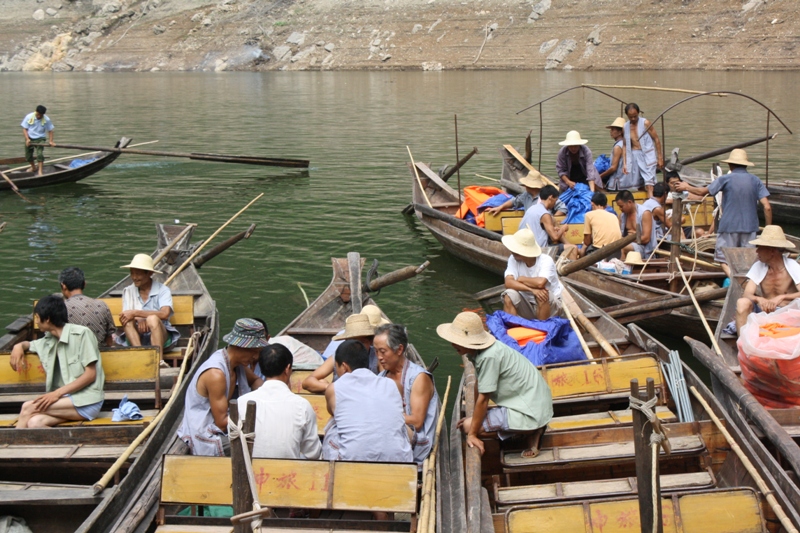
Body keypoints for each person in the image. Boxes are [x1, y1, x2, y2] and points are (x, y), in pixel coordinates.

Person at [437, 312, 552, 458]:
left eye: (456, 341)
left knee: (466, 426)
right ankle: (526, 429)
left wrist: (472, 432)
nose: (453, 345)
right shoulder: (481, 351)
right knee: (471, 422)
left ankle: (531, 430)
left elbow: (484, 399)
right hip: (533, 403)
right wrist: (474, 416)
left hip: (530, 411)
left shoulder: (488, 356)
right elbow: (479, 385)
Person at [10, 295, 105, 428]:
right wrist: (18, 346)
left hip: (87, 401)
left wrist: (56, 394)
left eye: (37, 317)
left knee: (28, 407)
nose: (36, 321)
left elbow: (90, 375)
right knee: (35, 423)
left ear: (47, 319)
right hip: (65, 401)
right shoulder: (49, 339)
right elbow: (29, 344)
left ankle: (14, 446)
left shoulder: (82, 334)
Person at [177, 318, 267, 456]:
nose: (256, 357)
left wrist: (266, 400)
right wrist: (259, 416)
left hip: (226, 422)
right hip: (206, 430)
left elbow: (256, 380)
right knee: (260, 445)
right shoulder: (216, 374)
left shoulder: (238, 366)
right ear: (240, 346)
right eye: (254, 351)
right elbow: (221, 423)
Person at [675, 149, 771, 277]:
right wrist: (768, 229)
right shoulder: (755, 180)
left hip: (729, 227)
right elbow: (767, 207)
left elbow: (703, 192)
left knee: (723, 259)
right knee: (749, 261)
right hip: (750, 227)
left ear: (730, 165)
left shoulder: (725, 179)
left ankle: (735, 281)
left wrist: (686, 187)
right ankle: (746, 281)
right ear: (746, 165)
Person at [322, 339, 412, 462]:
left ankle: (332, 467)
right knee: (400, 425)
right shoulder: (394, 385)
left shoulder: (334, 388)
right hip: (399, 459)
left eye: (336, 367)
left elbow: (332, 412)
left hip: (351, 461)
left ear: (344, 367)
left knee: (333, 424)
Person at [237, 343, 321, 460]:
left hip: (251, 473)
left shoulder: (242, 402)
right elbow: (313, 453)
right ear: (287, 369)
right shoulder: (302, 405)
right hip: (289, 475)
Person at [375, 324, 439, 465]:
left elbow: (416, 422)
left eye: (383, 351)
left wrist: (383, 416)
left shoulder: (418, 378)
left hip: (417, 445)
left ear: (399, 350)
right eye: (376, 352)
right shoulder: (380, 377)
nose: (379, 357)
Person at [735, 226, 800, 333]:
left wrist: (782, 297)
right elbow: (747, 294)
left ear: (771, 251)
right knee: (742, 303)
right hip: (764, 312)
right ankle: (742, 342)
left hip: (787, 312)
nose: (757, 251)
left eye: (760, 248)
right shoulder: (758, 266)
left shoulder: (792, 266)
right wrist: (760, 300)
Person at [303, 312, 381, 393]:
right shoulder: (338, 356)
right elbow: (307, 382)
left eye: (362, 342)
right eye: (353, 342)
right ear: (346, 342)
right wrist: (332, 387)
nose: (357, 347)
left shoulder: (377, 357)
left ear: (370, 341)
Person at [117, 253, 181, 351]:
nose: (134, 277)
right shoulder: (128, 291)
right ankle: (140, 354)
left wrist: (137, 314)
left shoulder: (163, 290)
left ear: (149, 273)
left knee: (153, 319)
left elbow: (164, 314)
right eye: (132, 273)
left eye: (138, 273)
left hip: (161, 336)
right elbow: (126, 315)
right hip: (138, 335)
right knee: (128, 321)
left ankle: (159, 361)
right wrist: (140, 319)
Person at [501, 228, 564, 320]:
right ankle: (511, 330)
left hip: (551, 307)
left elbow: (540, 283)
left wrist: (522, 279)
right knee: (509, 295)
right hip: (528, 304)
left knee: (542, 294)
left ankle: (542, 329)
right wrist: (531, 290)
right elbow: (508, 283)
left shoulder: (546, 260)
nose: (512, 251)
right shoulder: (513, 258)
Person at [58, 267, 115, 348]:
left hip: (71, 356)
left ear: (63, 286)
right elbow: (109, 340)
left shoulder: (60, 308)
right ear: (84, 284)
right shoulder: (101, 305)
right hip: (99, 355)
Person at [519, 185, 578, 260]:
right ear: (550, 197)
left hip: (526, 246)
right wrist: (563, 229)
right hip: (539, 250)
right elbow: (555, 238)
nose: (555, 203)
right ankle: (572, 271)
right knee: (573, 248)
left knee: (568, 245)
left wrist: (555, 229)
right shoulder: (545, 214)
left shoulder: (532, 208)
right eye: (555, 200)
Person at [623, 103, 663, 198]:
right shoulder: (625, 127)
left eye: (635, 116)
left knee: (649, 183)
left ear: (638, 113)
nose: (633, 119)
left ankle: (652, 202)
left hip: (647, 155)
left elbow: (656, 139)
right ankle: (645, 202)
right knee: (639, 184)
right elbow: (625, 145)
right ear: (627, 116)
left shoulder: (645, 123)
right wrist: (625, 163)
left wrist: (660, 157)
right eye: (630, 117)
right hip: (634, 155)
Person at [485, 171, 567, 217]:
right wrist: (500, 207)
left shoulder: (545, 195)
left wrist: (552, 220)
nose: (525, 186)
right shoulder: (526, 195)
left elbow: (563, 208)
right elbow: (514, 201)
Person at [664, 171, 708, 238]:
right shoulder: (666, 194)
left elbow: (702, 199)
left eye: (677, 182)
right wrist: (674, 201)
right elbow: (661, 201)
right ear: (667, 184)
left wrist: (689, 196)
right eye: (672, 183)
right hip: (670, 226)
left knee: (700, 232)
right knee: (680, 232)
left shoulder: (684, 193)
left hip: (686, 226)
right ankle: (684, 248)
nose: (675, 185)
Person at [580, 192, 622, 258]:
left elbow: (587, 241)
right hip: (617, 252)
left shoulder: (589, 215)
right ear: (606, 206)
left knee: (584, 249)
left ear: (592, 204)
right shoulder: (614, 216)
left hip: (600, 251)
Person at [616, 190, 656, 259]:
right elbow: (618, 235)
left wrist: (626, 239)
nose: (620, 209)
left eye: (621, 206)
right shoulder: (622, 216)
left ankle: (622, 268)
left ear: (629, 202)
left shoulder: (645, 213)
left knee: (620, 247)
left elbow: (646, 239)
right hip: (628, 243)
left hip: (644, 248)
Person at [21, 105, 55, 176]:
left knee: (39, 154)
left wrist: (51, 141)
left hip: (40, 138)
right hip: (30, 138)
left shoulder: (46, 119)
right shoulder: (29, 117)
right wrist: (27, 139)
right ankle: (33, 167)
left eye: (41, 115)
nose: (39, 116)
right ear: (36, 111)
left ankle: (40, 171)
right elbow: (25, 129)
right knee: (28, 156)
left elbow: (50, 131)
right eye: (38, 114)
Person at [599, 117, 629, 190]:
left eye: (612, 130)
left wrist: (600, 176)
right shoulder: (625, 143)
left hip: (617, 182)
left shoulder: (618, 147)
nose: (611, 132)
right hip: (624, 181)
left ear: (620, 132)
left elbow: (613, 168)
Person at [641, 183, 668, 247]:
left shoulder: (647, 202)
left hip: (644, 232)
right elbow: (670, 226)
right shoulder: (658, 209)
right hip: (653, 236)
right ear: (665, 194)